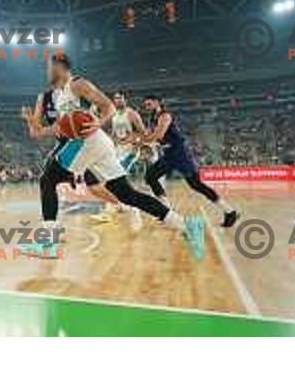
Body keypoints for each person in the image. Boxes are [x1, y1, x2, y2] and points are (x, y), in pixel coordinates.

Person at [27, 54, 206, 260]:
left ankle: (48, 241)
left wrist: (98, 122)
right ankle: (187, 225)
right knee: (126, 194)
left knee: (47, 179)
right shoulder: (59, 96)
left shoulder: (77, 84)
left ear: (60, 67)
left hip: (87, 142)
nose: (47, 72)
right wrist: (37, 128)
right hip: (98, 144)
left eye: (49, 67)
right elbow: (61, 126)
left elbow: (108, 106)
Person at [142, 96, 239, 228]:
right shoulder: (152, 118)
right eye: (145, 104)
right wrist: (142, 139)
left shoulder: (165, 116)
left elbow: (158, 135)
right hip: (169, 154)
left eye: (149, 103)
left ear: (157, 102)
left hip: (180, 154)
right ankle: (167, 213)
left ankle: (229, 211)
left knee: (196, 184)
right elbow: (152, 136)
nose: (146, 106)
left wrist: (139, 139)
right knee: (150, 176)